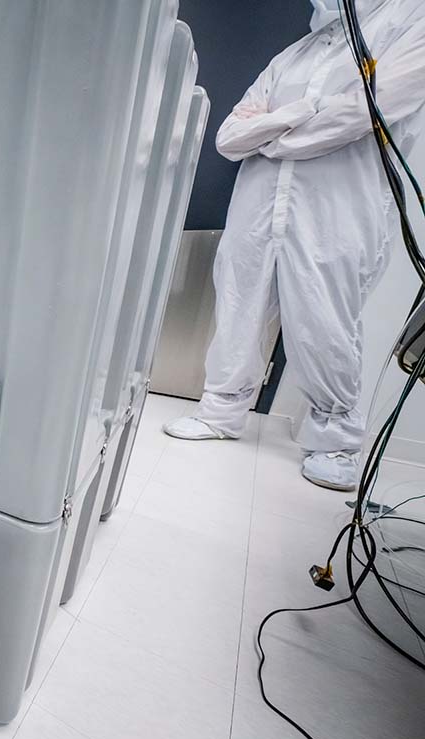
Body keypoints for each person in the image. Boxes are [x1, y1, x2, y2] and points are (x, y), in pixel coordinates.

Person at [163, 0, 425, 491]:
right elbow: (230, 136)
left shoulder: (411, 22)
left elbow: (366, 112)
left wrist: (274, 134)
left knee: (325, 320)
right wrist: (302, 114)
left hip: (338, 209)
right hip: (259, 204)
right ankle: (221, 411)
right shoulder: (296, 53)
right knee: (239, 302)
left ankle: (335, 442)